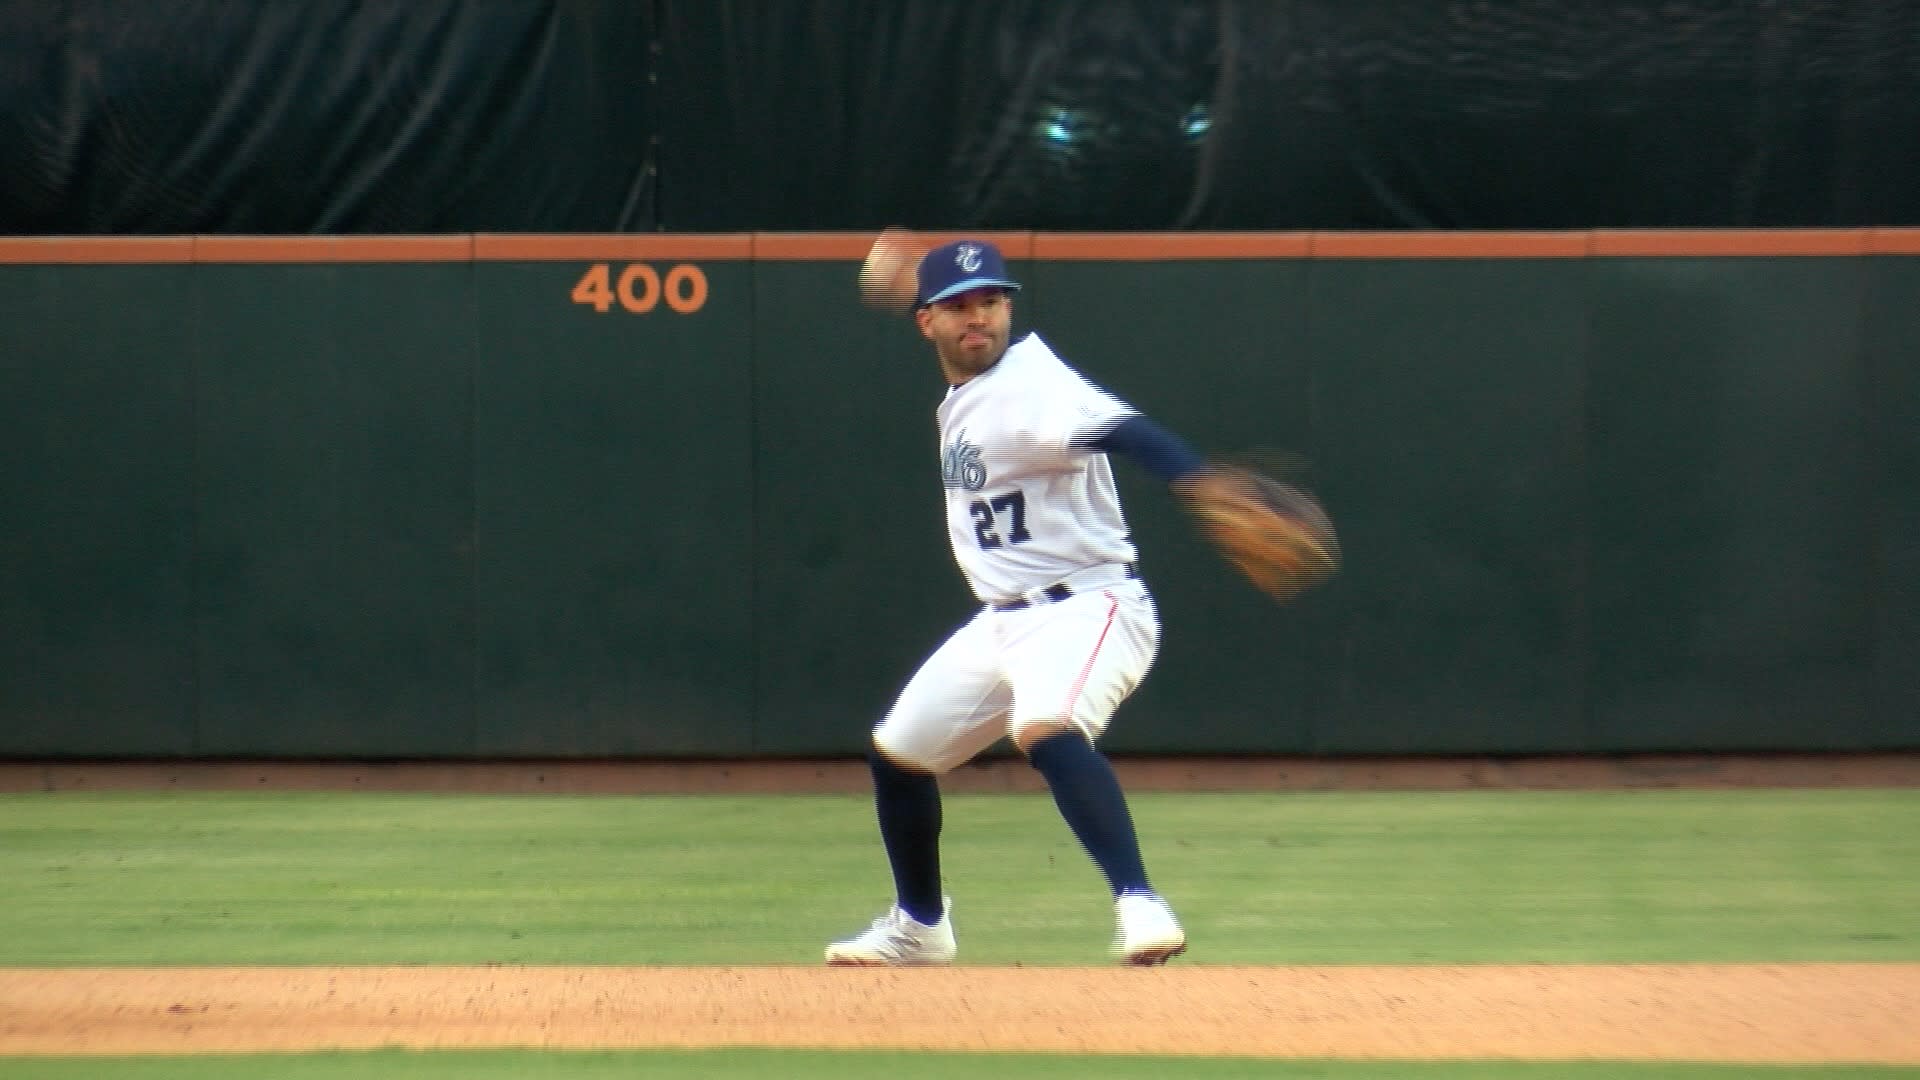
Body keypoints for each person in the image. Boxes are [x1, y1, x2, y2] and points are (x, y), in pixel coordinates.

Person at [825, 238, 1214, 967]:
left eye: (992, 301)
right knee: (900, 755)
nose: (981, 318)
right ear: (927, 323)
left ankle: (1140, 901)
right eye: (961, 306)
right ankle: (920, 926)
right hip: (1004, 618)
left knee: (1047, 726)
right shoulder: (970, 393)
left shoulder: (1033, 384)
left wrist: (1194, 477)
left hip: (1089, 605)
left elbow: (1125, 432)